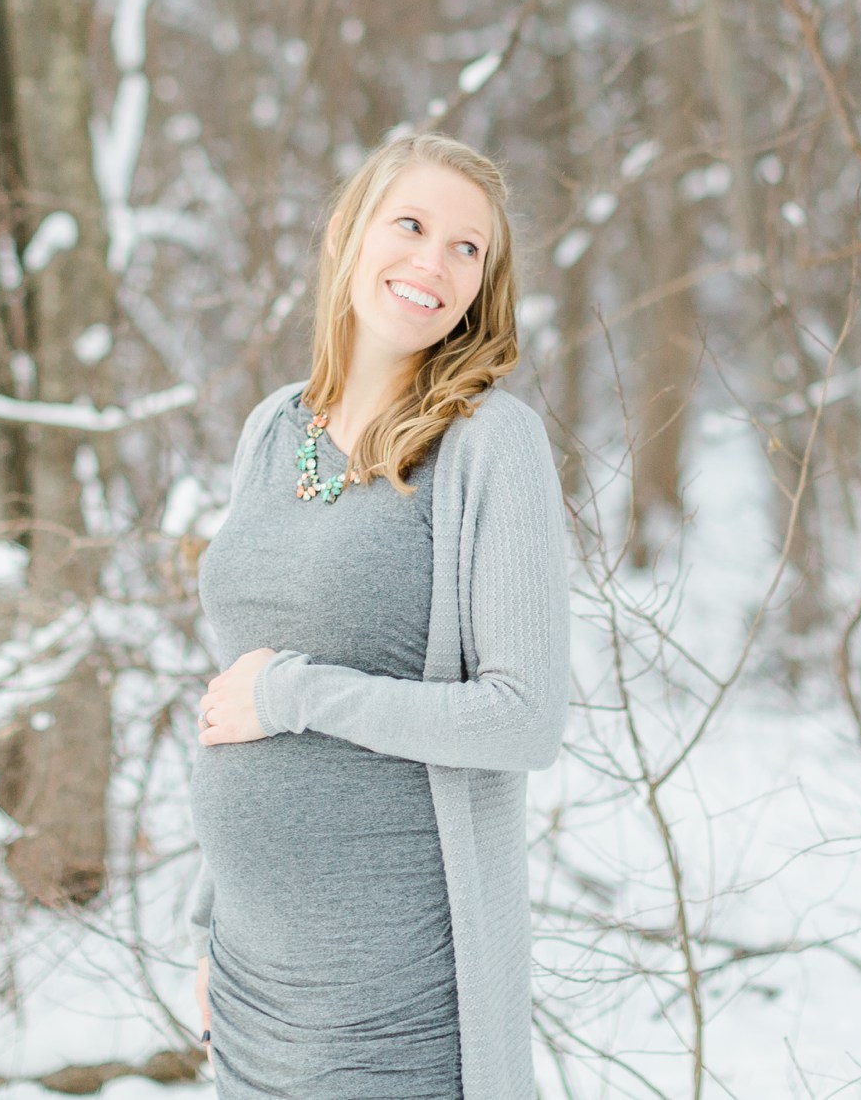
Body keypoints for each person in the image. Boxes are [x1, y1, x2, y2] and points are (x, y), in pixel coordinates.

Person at [184, 132, 571, 1100]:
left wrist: (300, 693)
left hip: (391, 1004)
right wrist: (203, 930)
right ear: (344, 235)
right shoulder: (275, 429)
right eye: (411, 225)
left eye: (465, 248)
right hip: (248, 990)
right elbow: (237, 707)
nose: (432, 263)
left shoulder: (488, 444)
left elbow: (524, 719)